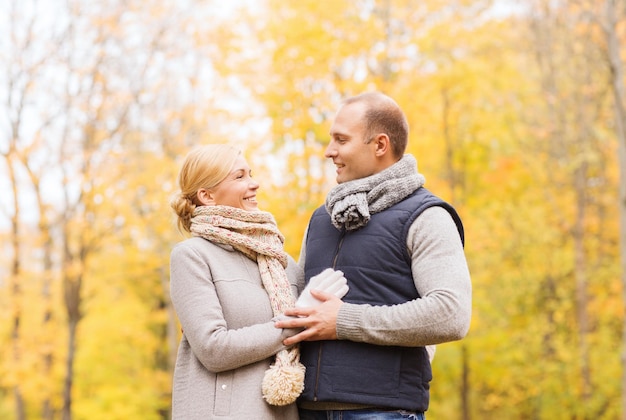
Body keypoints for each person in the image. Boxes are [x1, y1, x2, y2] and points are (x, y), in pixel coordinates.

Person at [274, 92, 472, 419]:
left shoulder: (427, 216)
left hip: (383, 412)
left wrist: (344, 321)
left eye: (341, 140)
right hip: (306, 411)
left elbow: (451, 313)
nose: (329, 152)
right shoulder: (322, 218)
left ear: (380, 145)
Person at [168, 144, 308, 419]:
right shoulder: (192, 256)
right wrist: (294, 328)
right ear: (207, 195)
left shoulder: (281, 262)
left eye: (251, 174)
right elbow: (213, 349)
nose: (254, 184)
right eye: (239, 176)